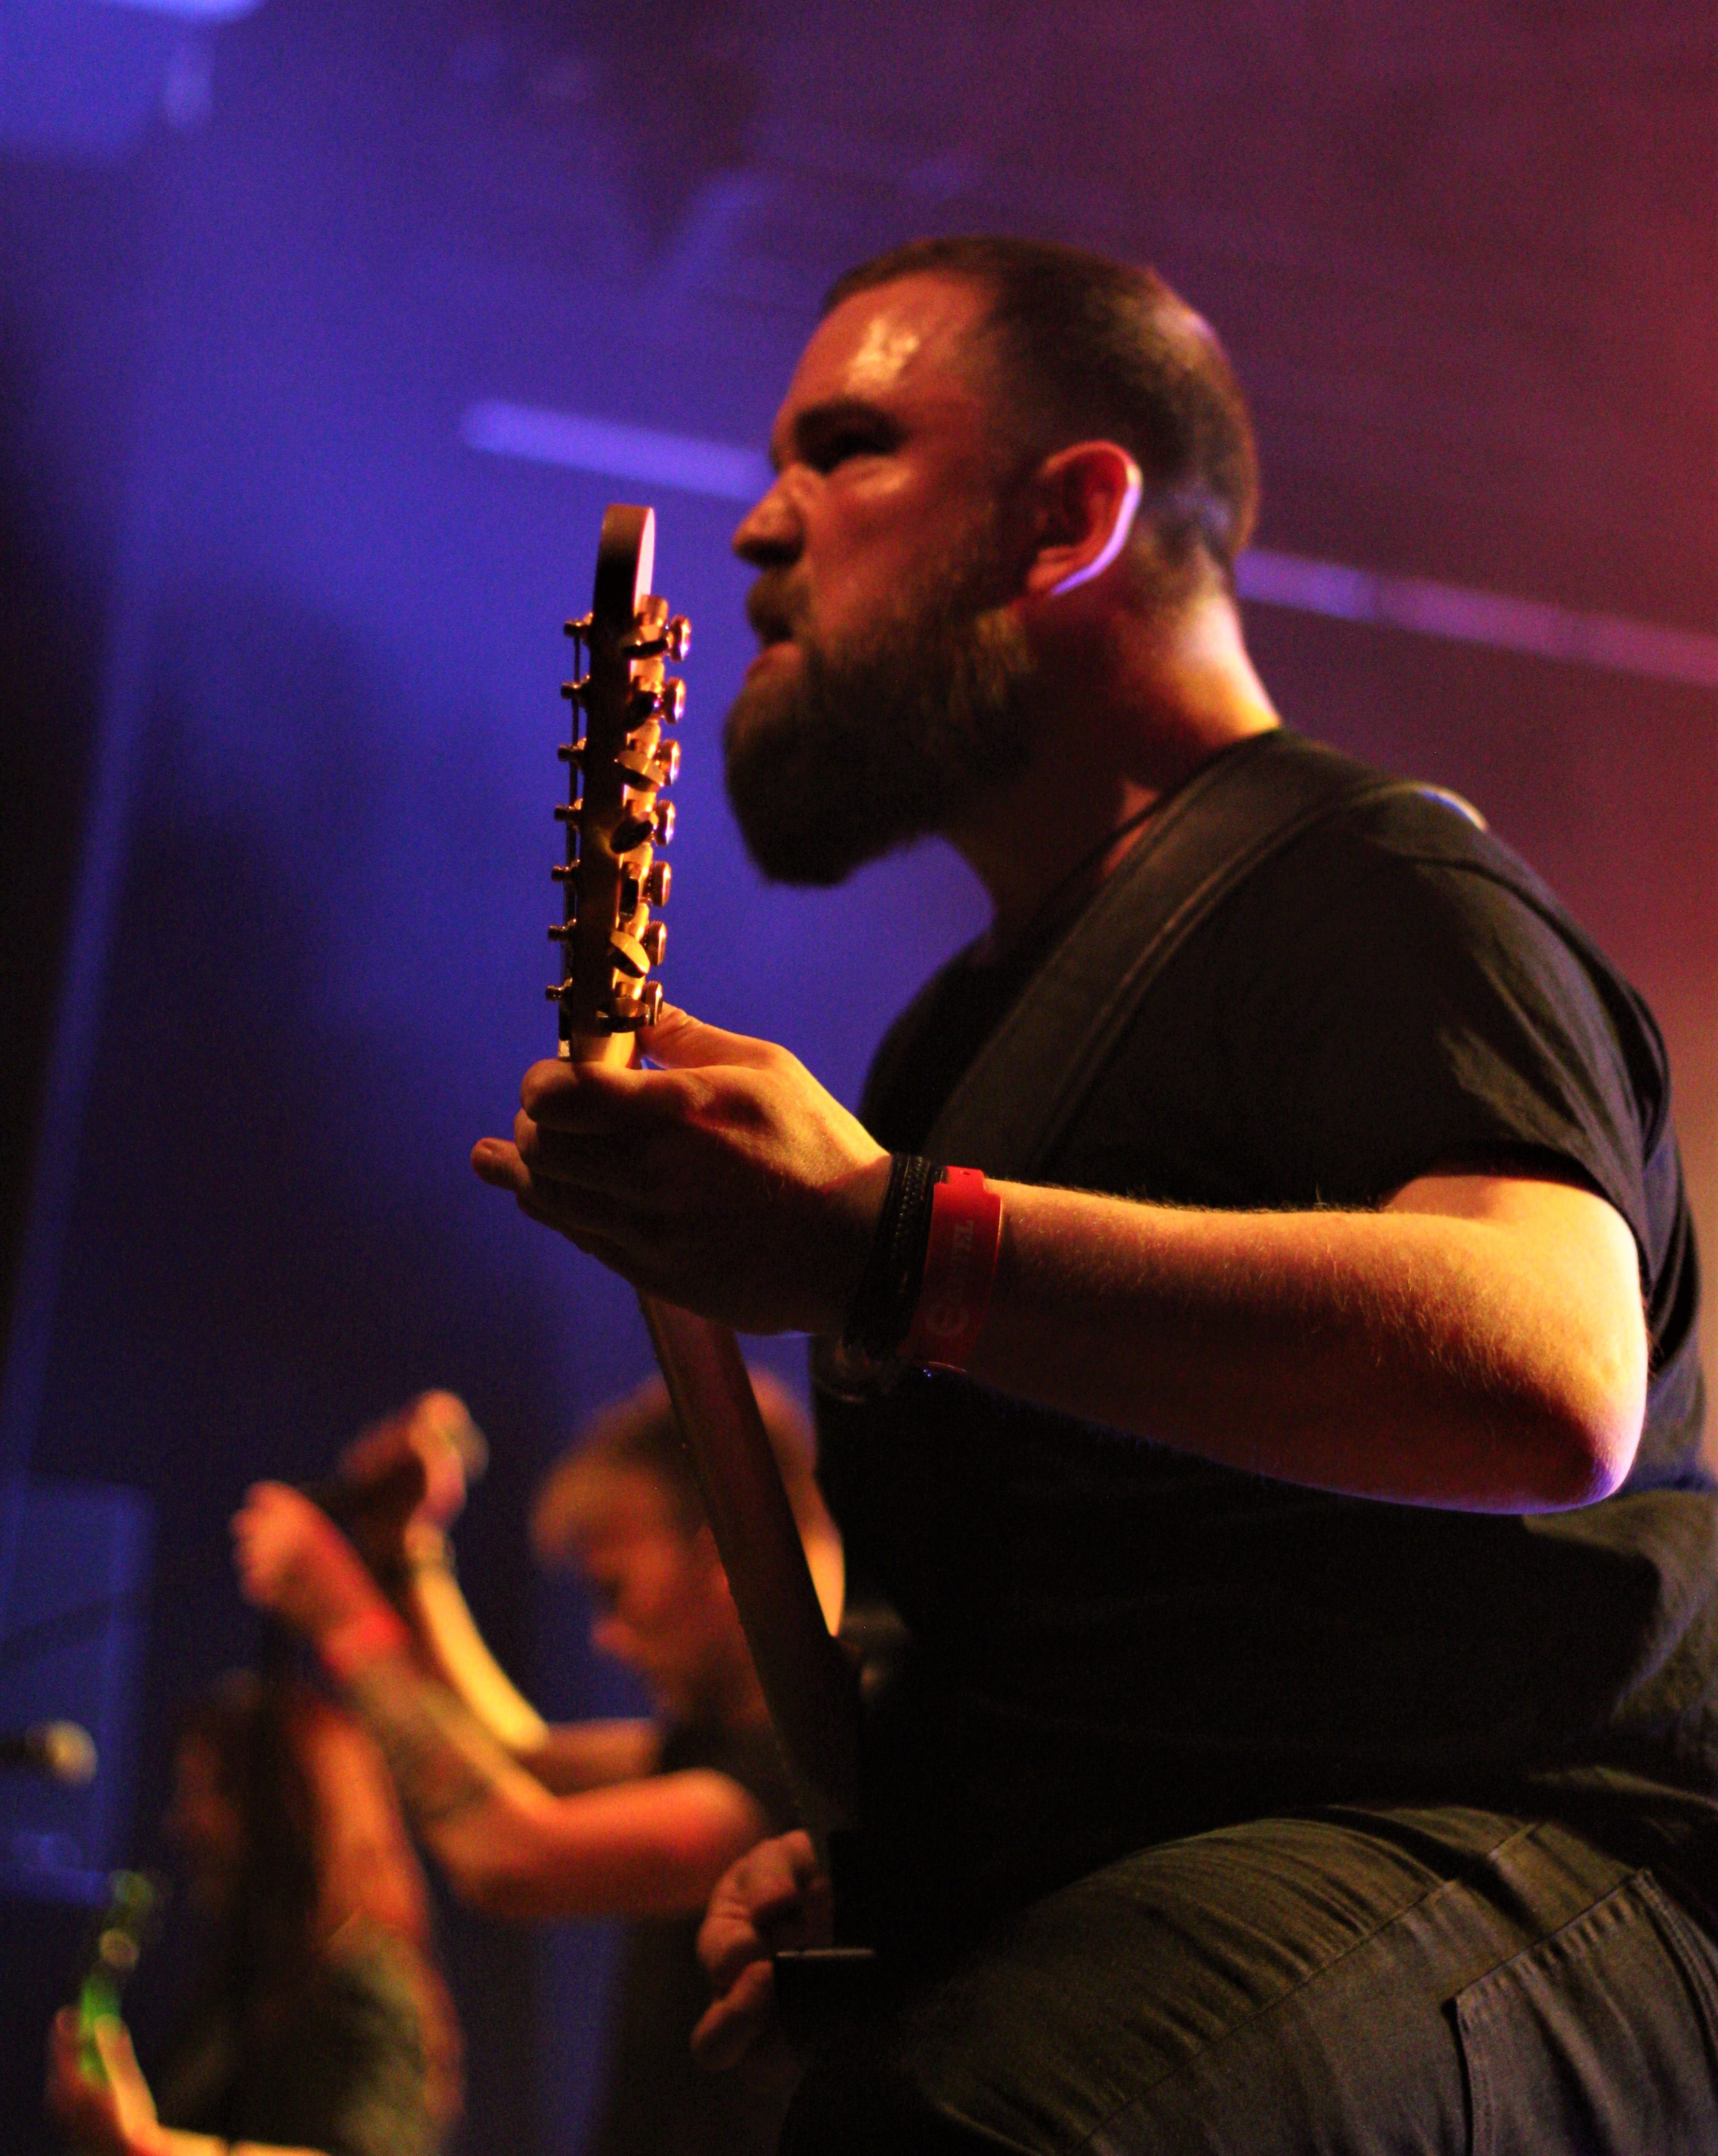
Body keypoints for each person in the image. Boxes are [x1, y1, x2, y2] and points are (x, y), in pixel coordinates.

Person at [468, 236, 1718, 2152]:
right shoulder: (948, 1046)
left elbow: (1554, 1374)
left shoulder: (1369, 880)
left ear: (1072, 515)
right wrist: (914, 1853)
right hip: (1192, 1907)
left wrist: (892, 1241)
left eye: (849, 448)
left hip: (1511, 1862)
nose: (757, 528)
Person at [233, 1376, 838, 2156]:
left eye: (615, 1590)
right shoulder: (721, 1743)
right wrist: (405, 1556)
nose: (609, 1636)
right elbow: (513, 1755)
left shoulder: (805, 1767)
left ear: (722, 1547)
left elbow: (512, 1857)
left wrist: (342, 1616)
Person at [47, 1674, 460, 2156]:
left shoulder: (364, 1980)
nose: (180, 1823)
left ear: (284, 1809)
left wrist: (144, 2147)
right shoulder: (247, 1969)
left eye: (203, 1794)